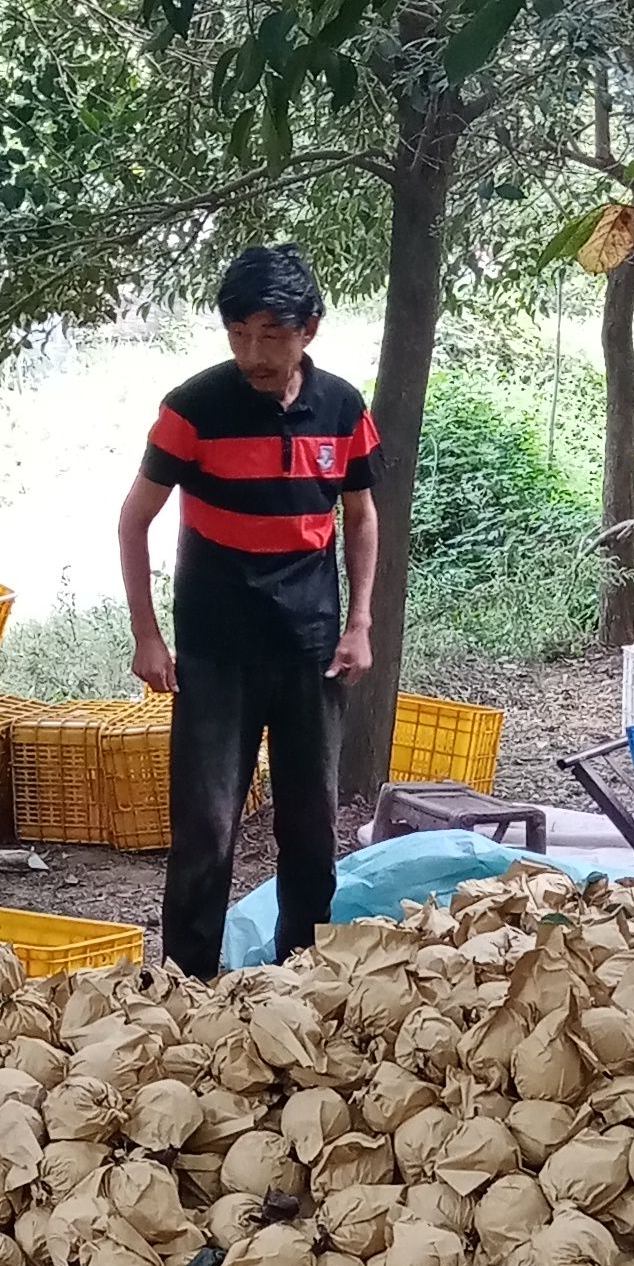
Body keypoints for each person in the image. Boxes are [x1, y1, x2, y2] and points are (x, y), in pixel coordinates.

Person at [121, 244, 378, 977]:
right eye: (239, 334)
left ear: (310, 331)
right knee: (205, 826)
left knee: (311, 827)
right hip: (215, 647)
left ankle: (304, 972)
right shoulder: (193, 408)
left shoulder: (342, 407)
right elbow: (133, 519)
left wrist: (359, 624)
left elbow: (360, 517)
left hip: (311, 648)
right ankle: (188, 981)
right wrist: (148, 634)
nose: (254, 353)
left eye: (271, 335)